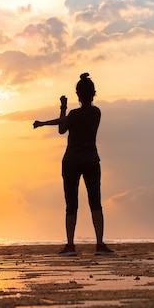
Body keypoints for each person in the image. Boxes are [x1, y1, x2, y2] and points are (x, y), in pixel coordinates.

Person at [33, 73, 114, 256]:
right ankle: (99, 244)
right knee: (96, 202)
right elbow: (63, 126)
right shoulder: (96, 112)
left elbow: (61, 128)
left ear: (78, 95)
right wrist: (61, 111)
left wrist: (49, 118)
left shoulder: (75, 114)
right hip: (91, 160)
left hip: (71, 161)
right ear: (93, 94)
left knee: (71, 204)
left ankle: (70, 245)